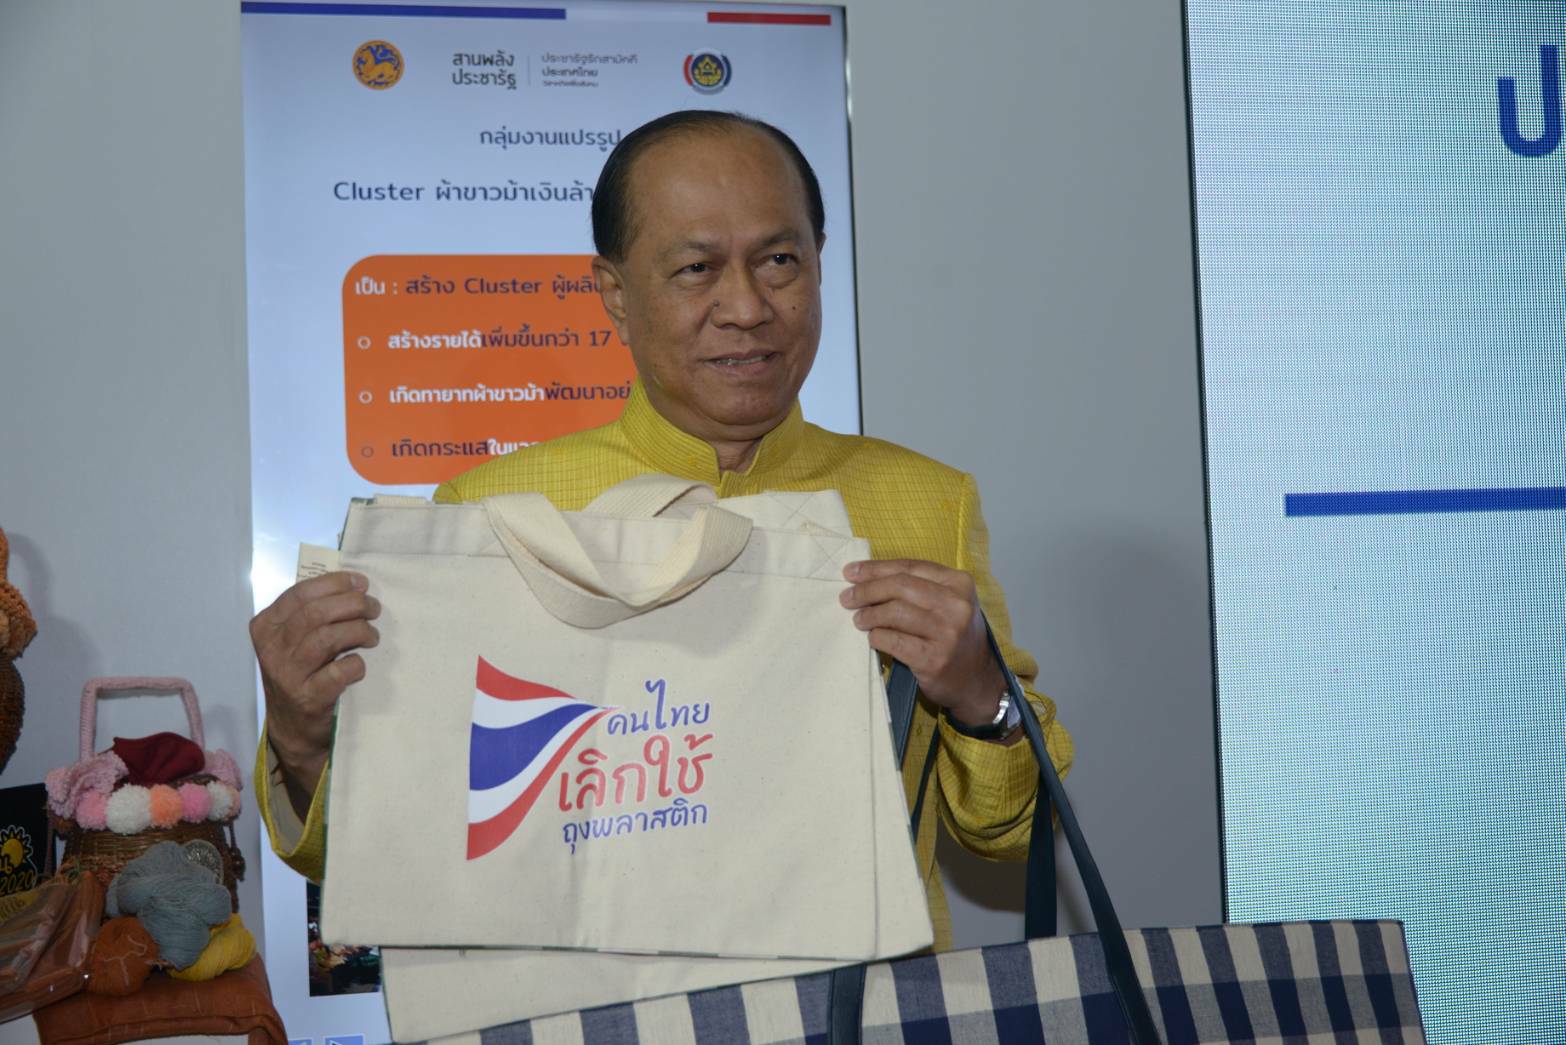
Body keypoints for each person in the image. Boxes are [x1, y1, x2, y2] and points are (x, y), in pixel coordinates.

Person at [251, 110, 1072, 951]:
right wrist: (302, 739)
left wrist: (980, 696)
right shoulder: (493, 513)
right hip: (589, 1002)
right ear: (615, 293)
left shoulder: (928, 502)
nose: (746, 307)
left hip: (868, 1002)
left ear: (820, 260)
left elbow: (1013, 834)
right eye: (695, 269)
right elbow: (401, 845)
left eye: (779, 260)